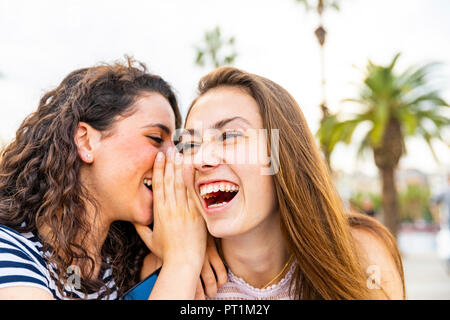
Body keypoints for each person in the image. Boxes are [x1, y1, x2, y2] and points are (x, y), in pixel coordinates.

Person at [0, 58, 225, 299]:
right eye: (156, 138)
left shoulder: (129, 263)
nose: (175, 159)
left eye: (177, 145)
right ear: (86, 141)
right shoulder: (9, 250)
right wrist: (182, 261)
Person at [179, 66, 406, 299]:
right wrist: (181, 266)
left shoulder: (361, 253)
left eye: (229, 136)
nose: (200, 160)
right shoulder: (180, 276)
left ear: (283, 153)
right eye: (190, 145)